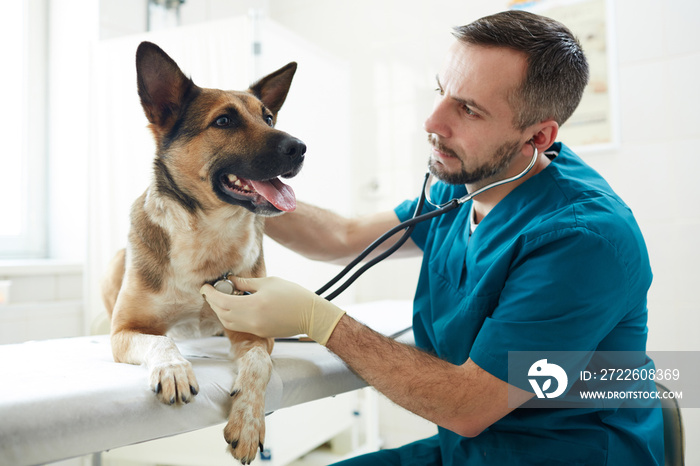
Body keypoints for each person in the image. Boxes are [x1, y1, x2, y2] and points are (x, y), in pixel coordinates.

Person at [201, 10, 663, 465]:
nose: (432, 122)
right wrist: (245, 188)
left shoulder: (583, 240)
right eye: (442, 92)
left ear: (538, 136)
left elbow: (469, 406)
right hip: (469, 451)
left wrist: (320, 320)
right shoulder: (468, 182)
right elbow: (342, 236)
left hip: (563, 453)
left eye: (468, 109)